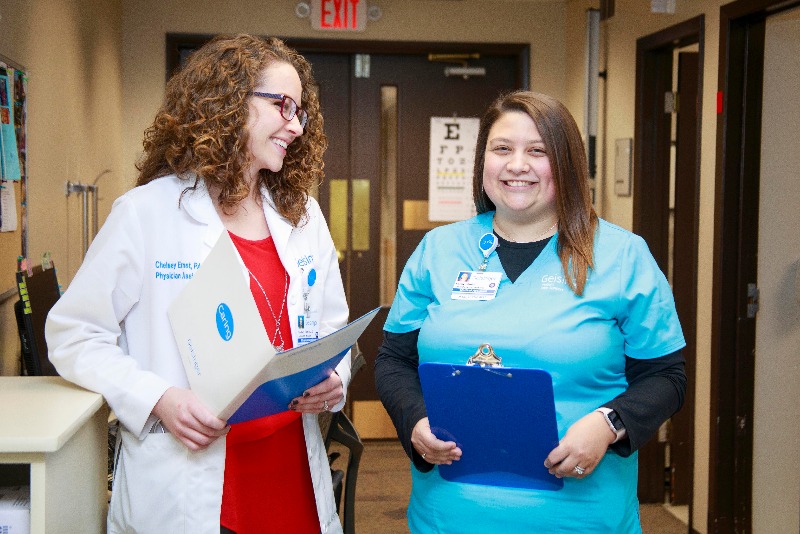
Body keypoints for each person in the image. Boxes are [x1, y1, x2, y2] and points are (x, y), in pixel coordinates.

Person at [45, 34, 350, 534]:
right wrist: (158, 396)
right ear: (228, 104)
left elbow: (331, 328)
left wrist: (333, 379)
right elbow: (73, 334)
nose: (295, 125)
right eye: (284, 106)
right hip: (187, 478)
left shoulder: (303, 216)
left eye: (302, 113)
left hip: (290, 469)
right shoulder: (147, 214)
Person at [375, 90, 687, 533]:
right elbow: (394, 361)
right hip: (449, 515)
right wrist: (415, 420)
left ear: (566, 164)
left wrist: (609, 423)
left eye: (537, 151)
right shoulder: (437, 251)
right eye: (502, 149)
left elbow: (666, 377)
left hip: (580, 517)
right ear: (483, 161)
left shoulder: (622, 256)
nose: (517, 164)